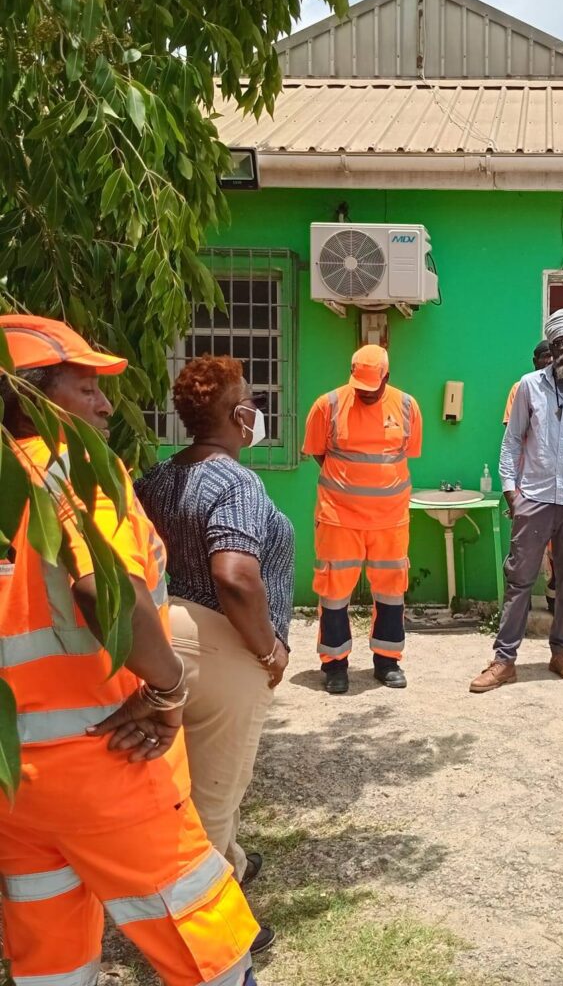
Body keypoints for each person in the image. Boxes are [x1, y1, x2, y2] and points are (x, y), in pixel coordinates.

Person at [0, 316, 259, 986]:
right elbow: (101, 589)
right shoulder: (75, 475)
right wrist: (170, 689)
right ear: (30, 397)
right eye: (84, 387)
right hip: (105, 760)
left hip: (13, 785)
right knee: (211, 954)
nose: (105, 403)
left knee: (51, 963)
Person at [135, 355, 293, 953]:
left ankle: (233, 864)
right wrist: (270, 647)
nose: (256, 407)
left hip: (162, 641)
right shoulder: (234, 480)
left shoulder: (157, 478)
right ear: (235, 413)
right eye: (249, 397)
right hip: (221, 647)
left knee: (184, 785)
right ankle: (218, 932)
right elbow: (235, 576)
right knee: (213, 800)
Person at [471, 307, 563, 692]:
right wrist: (511, 491)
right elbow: (511, 442)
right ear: (551, 349)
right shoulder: (528, 387)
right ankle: (504, 660)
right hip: (534, 499)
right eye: (560, 345)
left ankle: (561, 652)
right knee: (519, 580)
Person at [303, 344, 423, 695]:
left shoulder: (406, 406)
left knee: (391, 590)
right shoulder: (328, 405)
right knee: (334, 592)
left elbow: (405, 454)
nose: (367, 396)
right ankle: (335, 666)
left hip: (391, 520)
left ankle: (387, 662)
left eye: (374, 388)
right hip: (339, 519)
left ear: (388, 377)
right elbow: (318, 453)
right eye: (361, 388)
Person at [503, 338, 557, 612]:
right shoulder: (521, 388)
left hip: (558, 486)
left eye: (552, 356)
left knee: (556, 548)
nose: (548, 361)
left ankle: (553, 596)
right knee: (523, 548)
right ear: (534, 361)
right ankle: (517, 607)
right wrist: (511, 488)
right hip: (527, 483)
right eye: (543, 357)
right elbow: (512, 437)